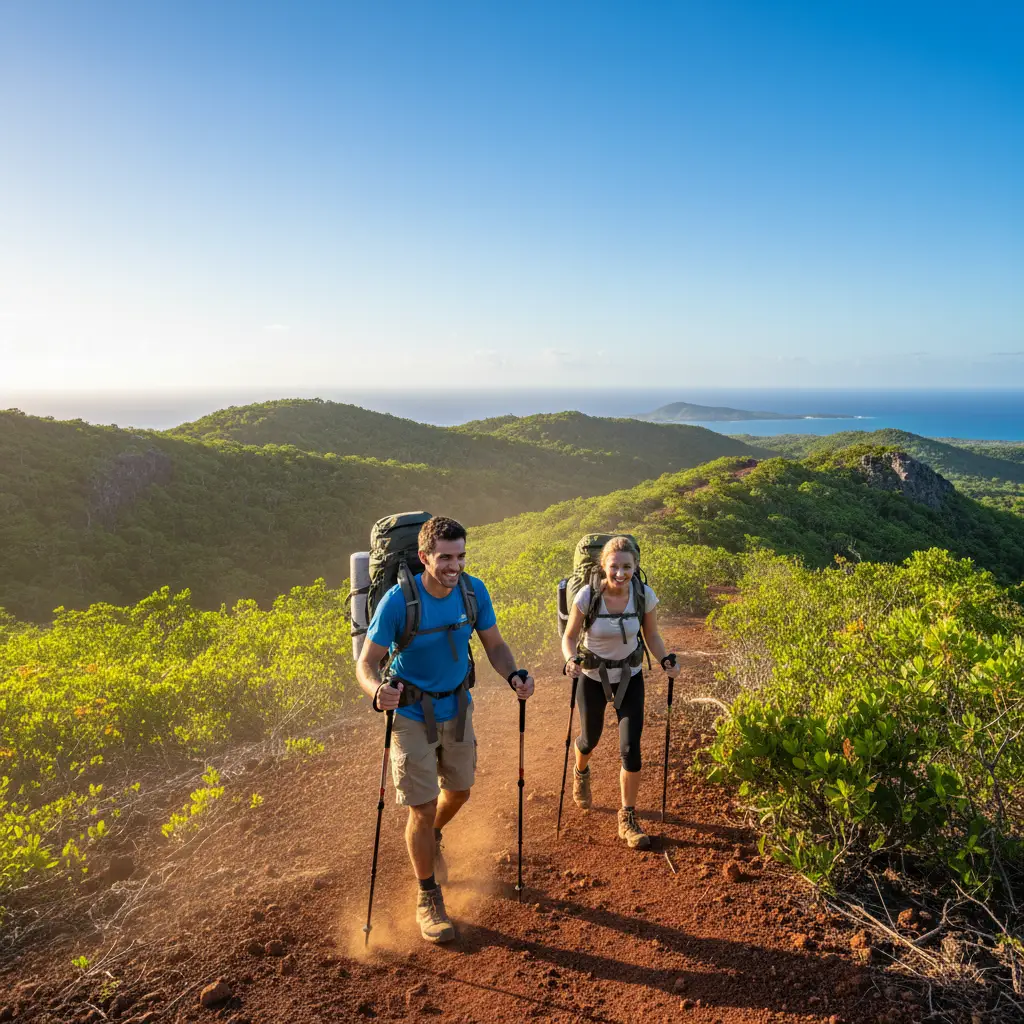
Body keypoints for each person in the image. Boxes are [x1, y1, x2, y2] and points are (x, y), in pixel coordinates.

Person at [356, 515, 535, 943]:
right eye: (445, 558)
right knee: (421, 803)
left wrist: (513, 676)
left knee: (460, 791)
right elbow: (366, 663)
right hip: (411, 712)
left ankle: (432, 835)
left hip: (457, 705)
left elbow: (495, 645)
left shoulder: (473, 592)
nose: (455, 566)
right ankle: (427, 896)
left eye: (460, 556)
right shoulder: (399, 601)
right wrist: (377, 691)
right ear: (424, 558)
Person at [560, 536, 679, 849]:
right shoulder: (588, 595)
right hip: (592, 677)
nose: (621, 573)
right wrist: (570, 658)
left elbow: (651, 634)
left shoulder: (643, 594)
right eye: (615, 566)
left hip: (631, 676)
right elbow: (570, 636)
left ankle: (627, 816)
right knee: (589, 739)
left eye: (627, 566)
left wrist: (665, 658)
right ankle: (580, 771)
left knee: (630, 749)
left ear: (635, 566)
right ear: (604, 566)